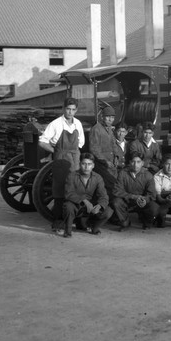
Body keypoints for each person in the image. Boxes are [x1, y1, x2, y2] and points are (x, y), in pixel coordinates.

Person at [39, 97, 85, 232]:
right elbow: (42, 141)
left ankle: (73, 221)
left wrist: (74, 155)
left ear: (76, 110)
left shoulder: (78, 124)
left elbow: (80, 143)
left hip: (75, 160)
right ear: (63, 109)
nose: (70, 112)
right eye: (68, 109)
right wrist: (56, 151)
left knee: (74, 189)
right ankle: (58, 223)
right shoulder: (55, 124)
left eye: (73, 110)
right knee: (59, 192)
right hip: (60, 160)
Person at [62, 153, 113, 237]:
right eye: (83, 164)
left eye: (89, 164)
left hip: (90, 209)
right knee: (68, 206)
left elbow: (103, 196)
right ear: (79, 164)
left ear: (93, 165)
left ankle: (94, 228)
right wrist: (84, 201)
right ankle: (67, 231)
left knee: (108, 211)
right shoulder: (72, 176)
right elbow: (68, 193)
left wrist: (99, 206)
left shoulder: (98, 178)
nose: (86, 167)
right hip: (77, 206)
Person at [111, 151, 159, 231]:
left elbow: (152, 194)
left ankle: (146, 222)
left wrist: (145, 199)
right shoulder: (123, 173)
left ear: (142, 163)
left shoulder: (148, 175)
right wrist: (133, 197)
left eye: (138, 162)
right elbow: (116, 191)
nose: (135, 165)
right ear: (129, 162)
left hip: (142, 201)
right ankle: (125, 222)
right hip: (127, 201)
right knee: (116, 202)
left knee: (154, 207)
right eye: (133, 162)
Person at [89, 105, 117, 193]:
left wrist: (116, 157)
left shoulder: (109, 129)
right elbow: (94, 149)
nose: (110, 120)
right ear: (102, 117)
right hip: (101, 165)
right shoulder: (96, 129)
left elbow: (114, 144)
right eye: (108, 117)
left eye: (112, 117)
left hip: (111, 165)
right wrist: (105, 161)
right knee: (108, 187)